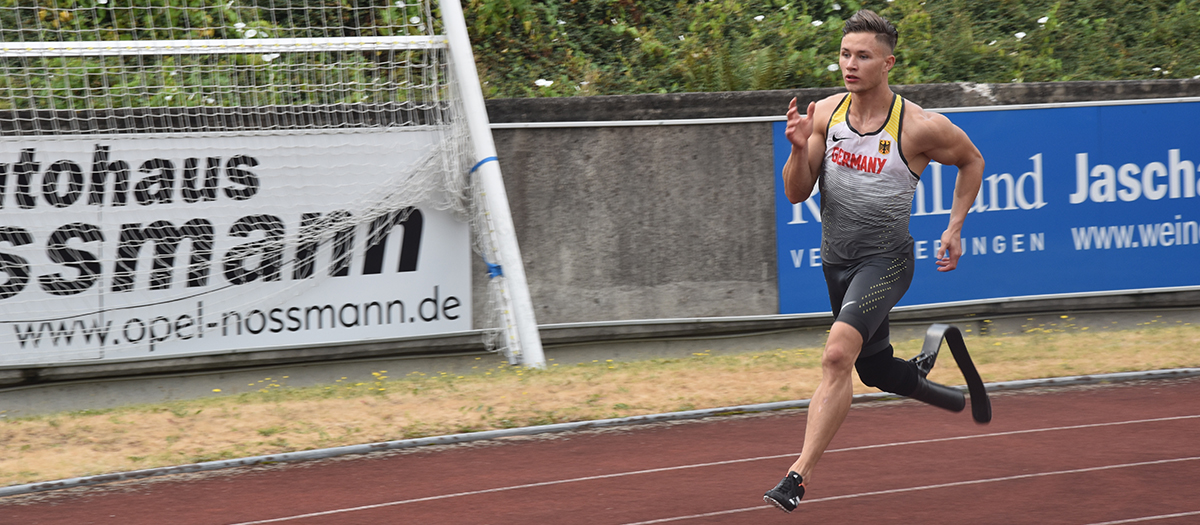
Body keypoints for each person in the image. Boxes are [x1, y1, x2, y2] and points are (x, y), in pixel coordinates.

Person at [762, 9, 985, 514]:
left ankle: (798, 476)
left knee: (837, 354)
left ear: (888, 63)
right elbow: (797, 193)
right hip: (835, 262)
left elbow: (973, 160)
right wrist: (798, 150)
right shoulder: (825, 115)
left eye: (863, 55)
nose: (851, 64)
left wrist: (953, 227)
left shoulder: (921, 126)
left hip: (887, 259)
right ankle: (929, 370)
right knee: (875, 369)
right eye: (845, 54)